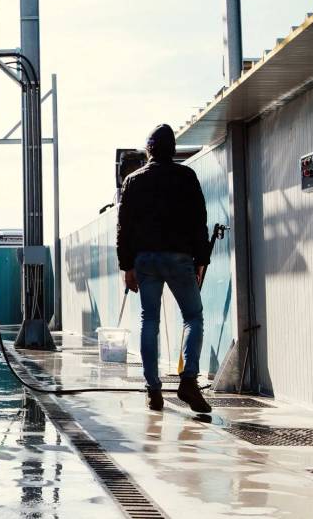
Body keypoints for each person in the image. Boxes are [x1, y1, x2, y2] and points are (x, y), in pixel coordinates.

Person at [116, 124, 212, 413]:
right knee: (193, 317)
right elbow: (199, 220)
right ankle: (188, 381)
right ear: (173, 151)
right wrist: (200, 260)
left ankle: (153, 390)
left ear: (149, 151)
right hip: (179, 258)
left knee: (150, 320)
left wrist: (126, 266)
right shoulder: (187, 176)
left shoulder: (133, 181)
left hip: (145, 260)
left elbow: (123, 227)